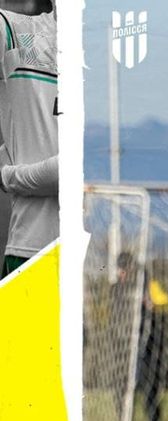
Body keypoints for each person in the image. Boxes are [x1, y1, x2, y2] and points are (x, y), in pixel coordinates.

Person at [0, 1, 59, 279]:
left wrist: (9, 176)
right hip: (33, 254)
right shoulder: (15, 32)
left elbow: (70, 171)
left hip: (89, 258)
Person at [111, 252, 163, 421]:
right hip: (124, 353)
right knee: (121, 397)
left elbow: (161, 303)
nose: (122, 273)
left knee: (150, 397)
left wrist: (150, 302)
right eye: (120, 270)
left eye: (125, 269)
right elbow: (117, 320)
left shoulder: (145, 285)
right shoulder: (116, 290)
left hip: (145, 351)